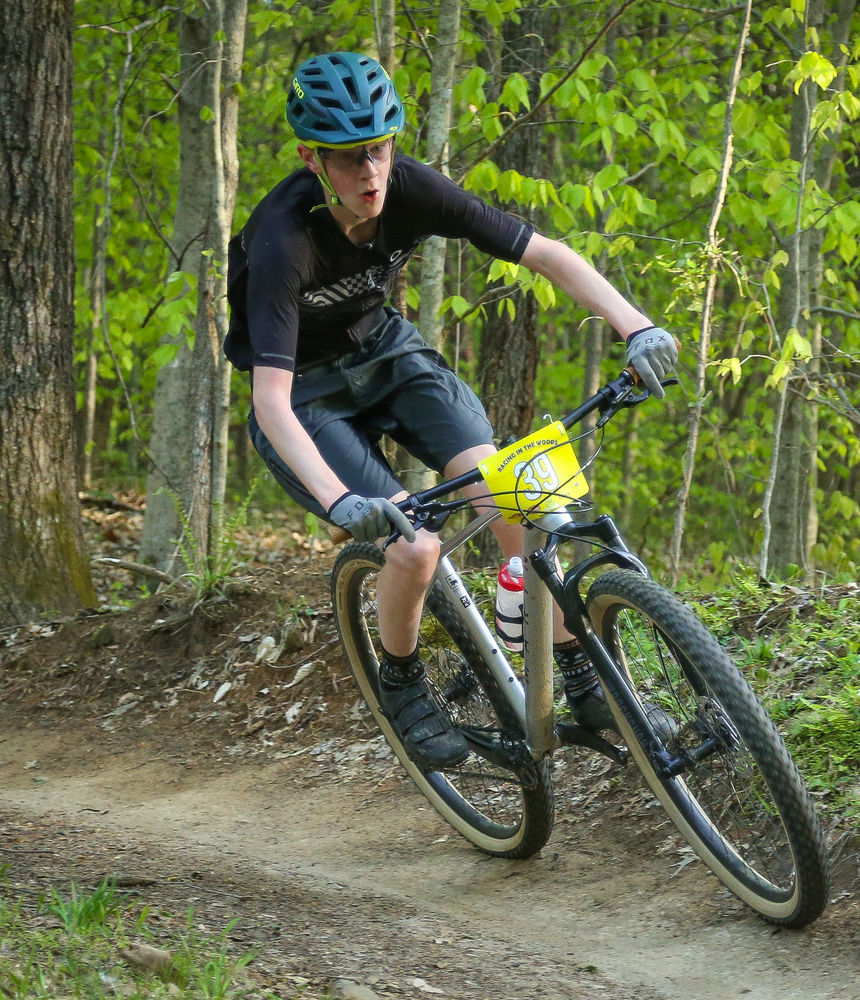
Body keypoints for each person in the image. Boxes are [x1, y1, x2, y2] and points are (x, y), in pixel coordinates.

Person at [224, 52, 678, 769]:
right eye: (347, 157)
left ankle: (581, 678)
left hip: (385, 352)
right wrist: (340, 501)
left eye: (379, 149)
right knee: (413, 544)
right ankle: (402, 681)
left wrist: (637, 326)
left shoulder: (412, 188)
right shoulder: (283, 240)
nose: (370, 173)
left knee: (512, 493)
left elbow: (546, 254)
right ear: (311, 159)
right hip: (303, 392)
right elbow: (270, 400)